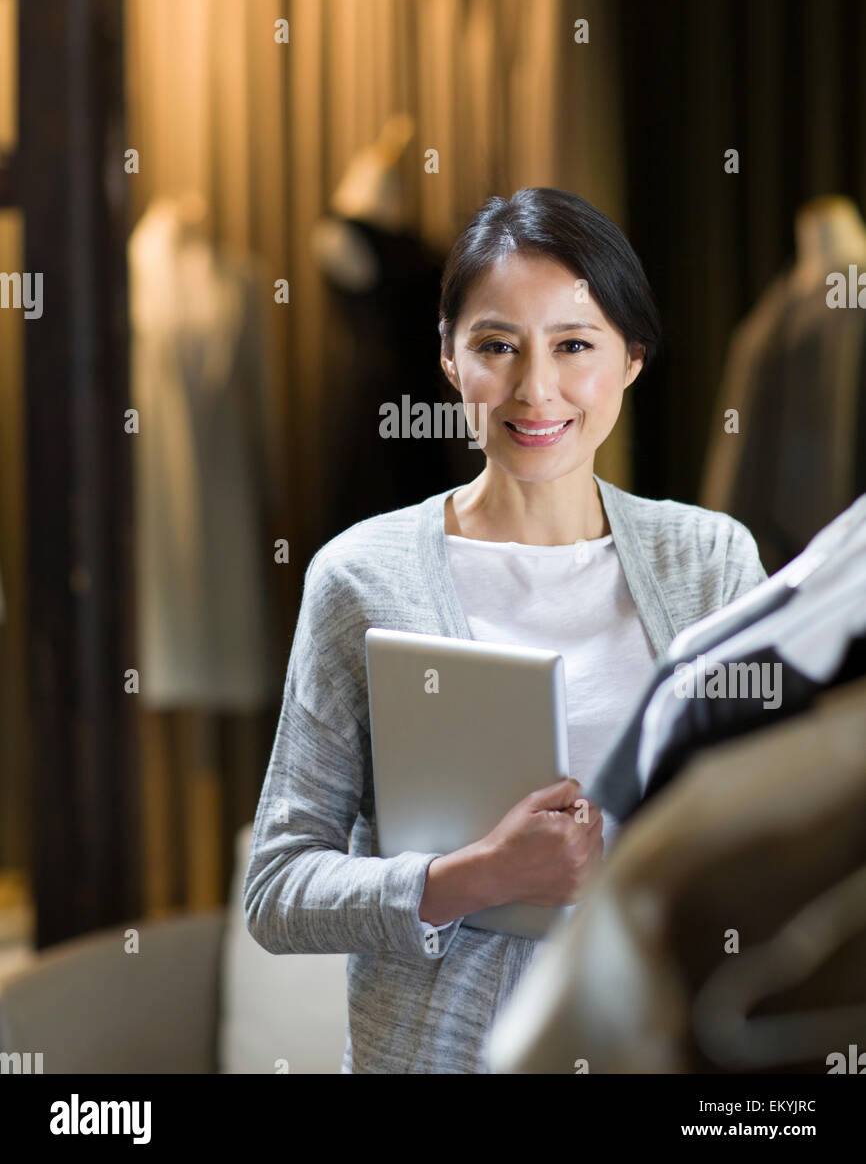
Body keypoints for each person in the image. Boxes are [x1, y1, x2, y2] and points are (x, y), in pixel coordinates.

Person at [243, 186, 768, 1074]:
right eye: (496, 346)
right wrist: (474, 876)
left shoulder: (709, 562)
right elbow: (278, 887)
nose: (536, 390)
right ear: (449, 359)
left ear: (631, 358)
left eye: (574, 345)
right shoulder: (359, 576)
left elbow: (767, 827)